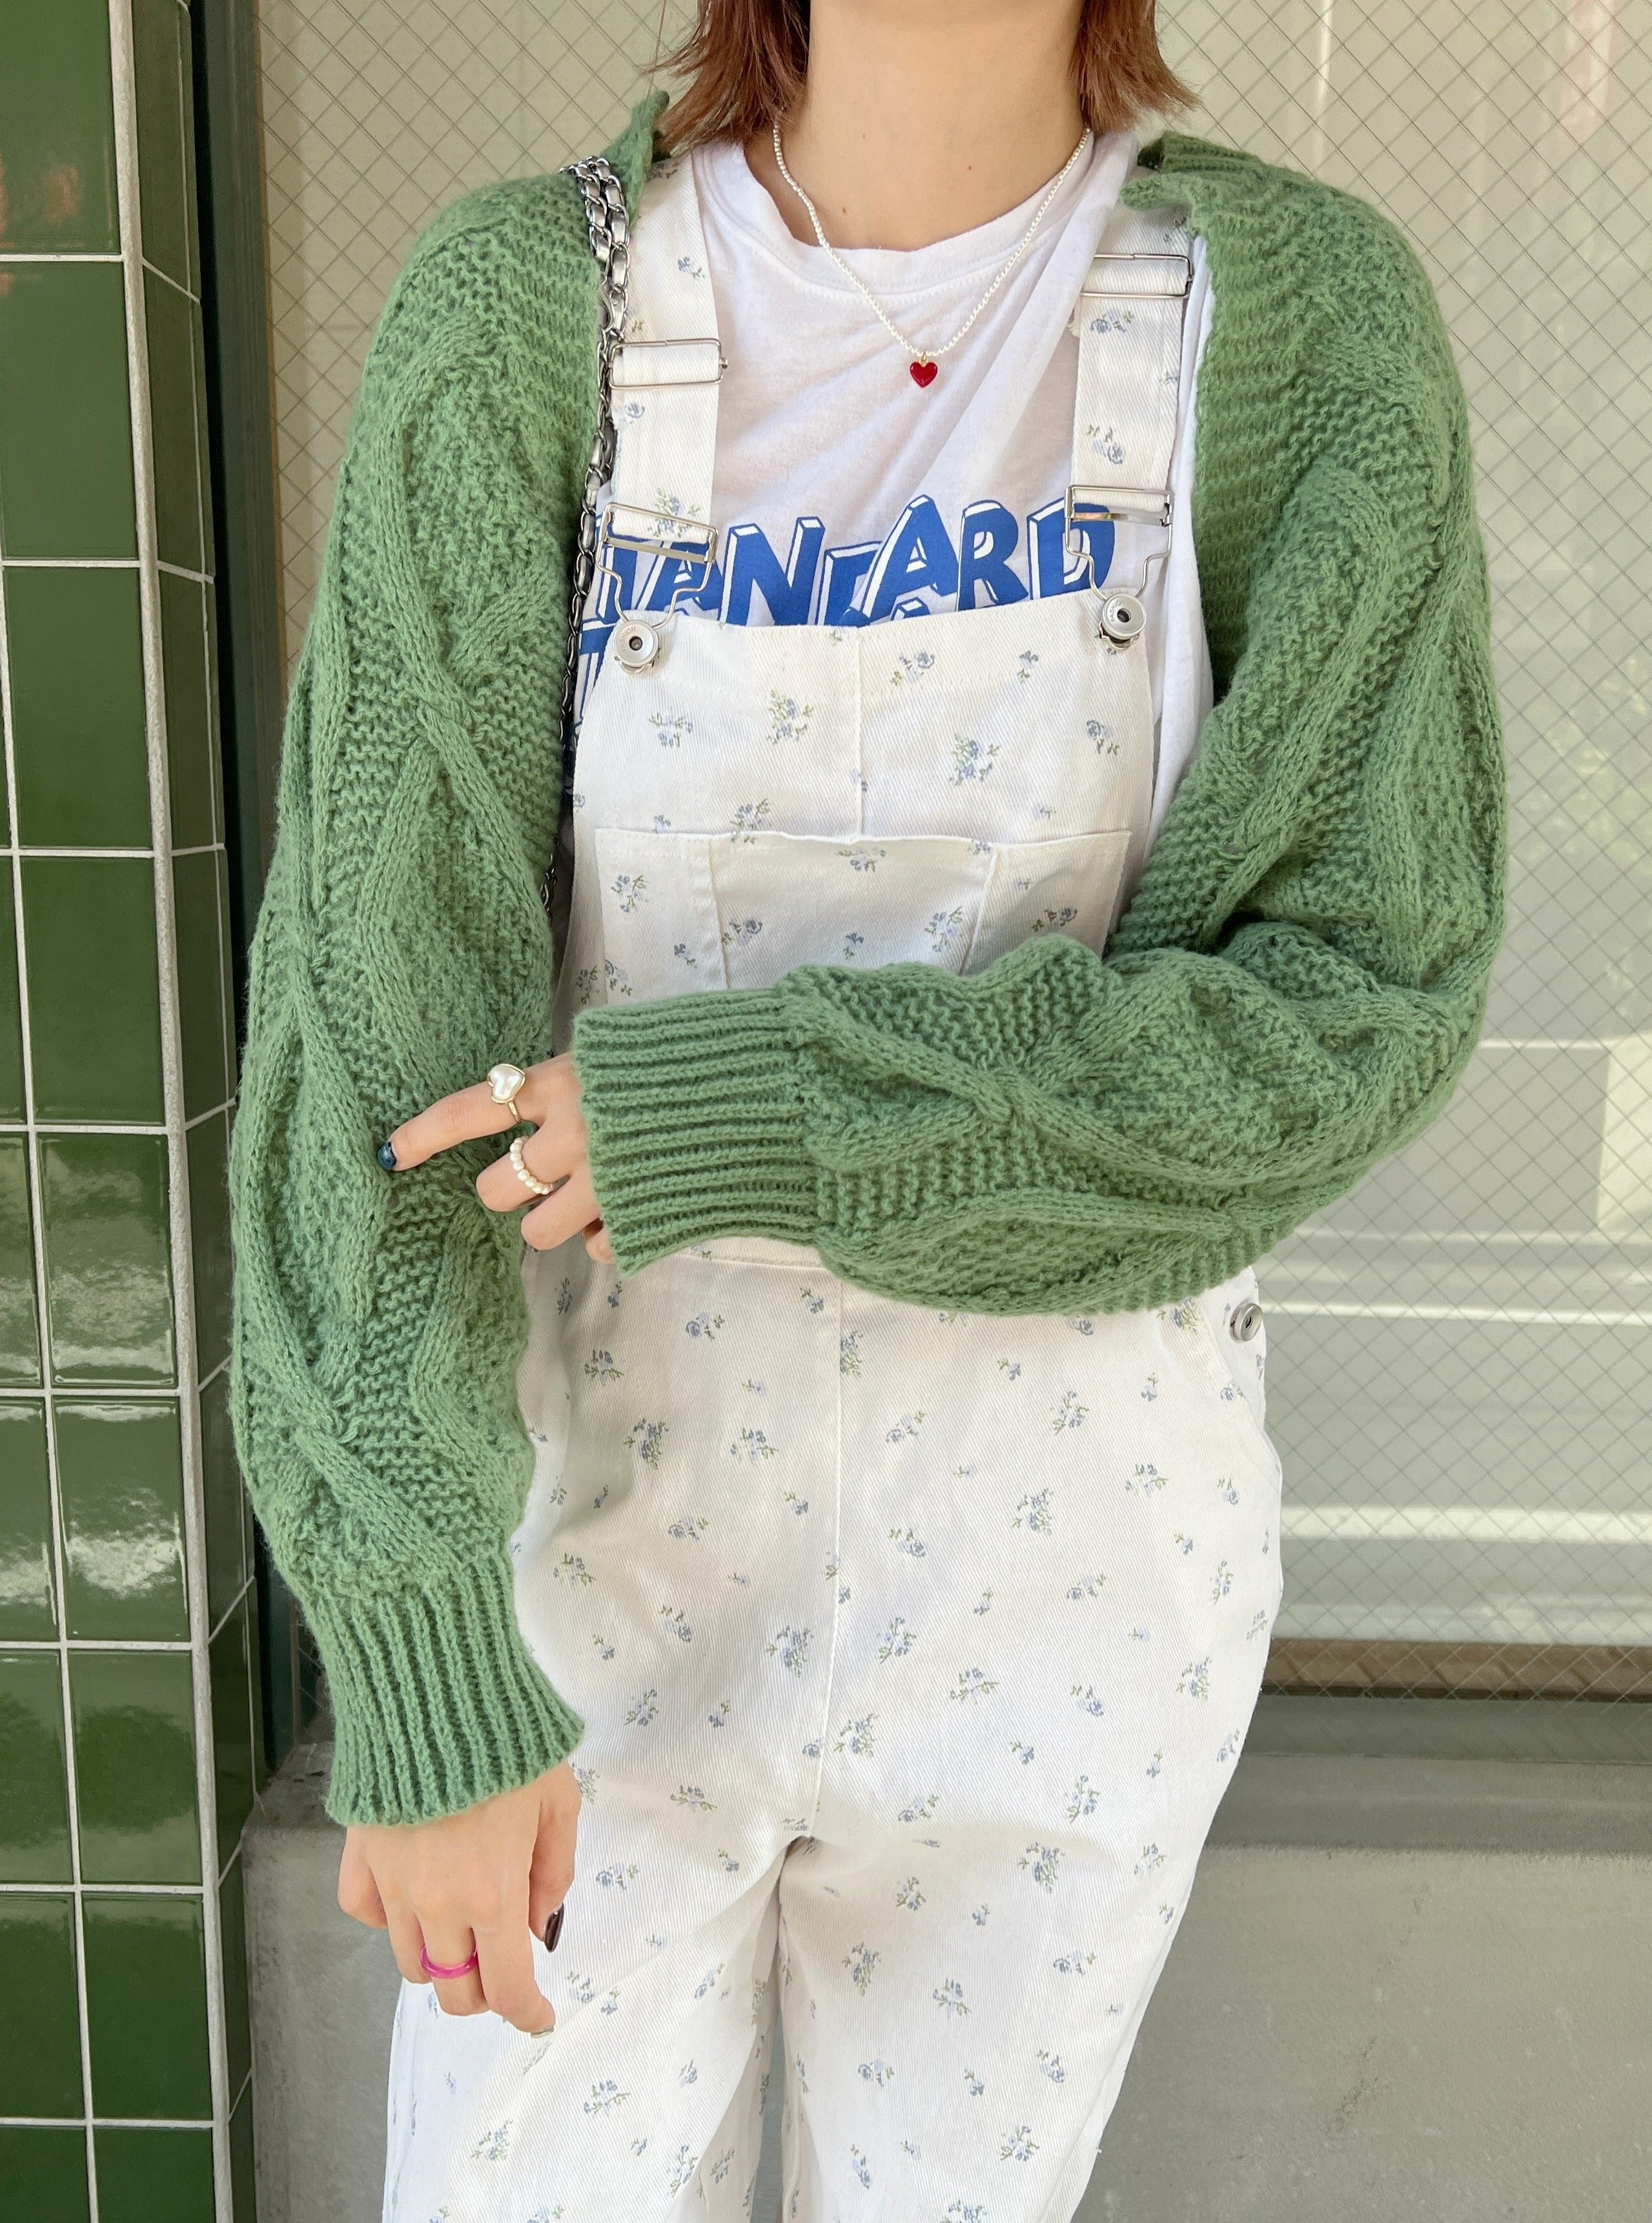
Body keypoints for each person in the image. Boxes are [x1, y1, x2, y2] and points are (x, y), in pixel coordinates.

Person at [228, 1, 1505, 2215]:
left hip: (1071, 1613)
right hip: (582, 1621)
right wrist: (416, 1644)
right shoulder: (525, 315)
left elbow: (1351, 1005)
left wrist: (749, 1110)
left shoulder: (1302, 327)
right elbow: (373, 1046)